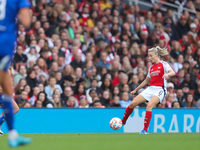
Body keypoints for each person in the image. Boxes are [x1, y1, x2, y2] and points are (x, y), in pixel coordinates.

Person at [121, 46, 175, 134]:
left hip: (160, 89)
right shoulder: (151, 68)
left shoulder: (164, 64)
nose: (149, 58)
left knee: (149, 105)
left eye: (151, 56)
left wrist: (167, 75)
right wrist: (136, 90)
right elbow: (146, 81)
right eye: (148, 56)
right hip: (150, 88)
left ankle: (145, 130)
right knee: (133, 103)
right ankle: (123, 121)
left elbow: (173, 72)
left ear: (157, 55)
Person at [0, 0, 32, 147]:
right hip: (4, 42)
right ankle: (12, 134)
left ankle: (12, 133)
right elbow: (26, 22)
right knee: (8, 91)